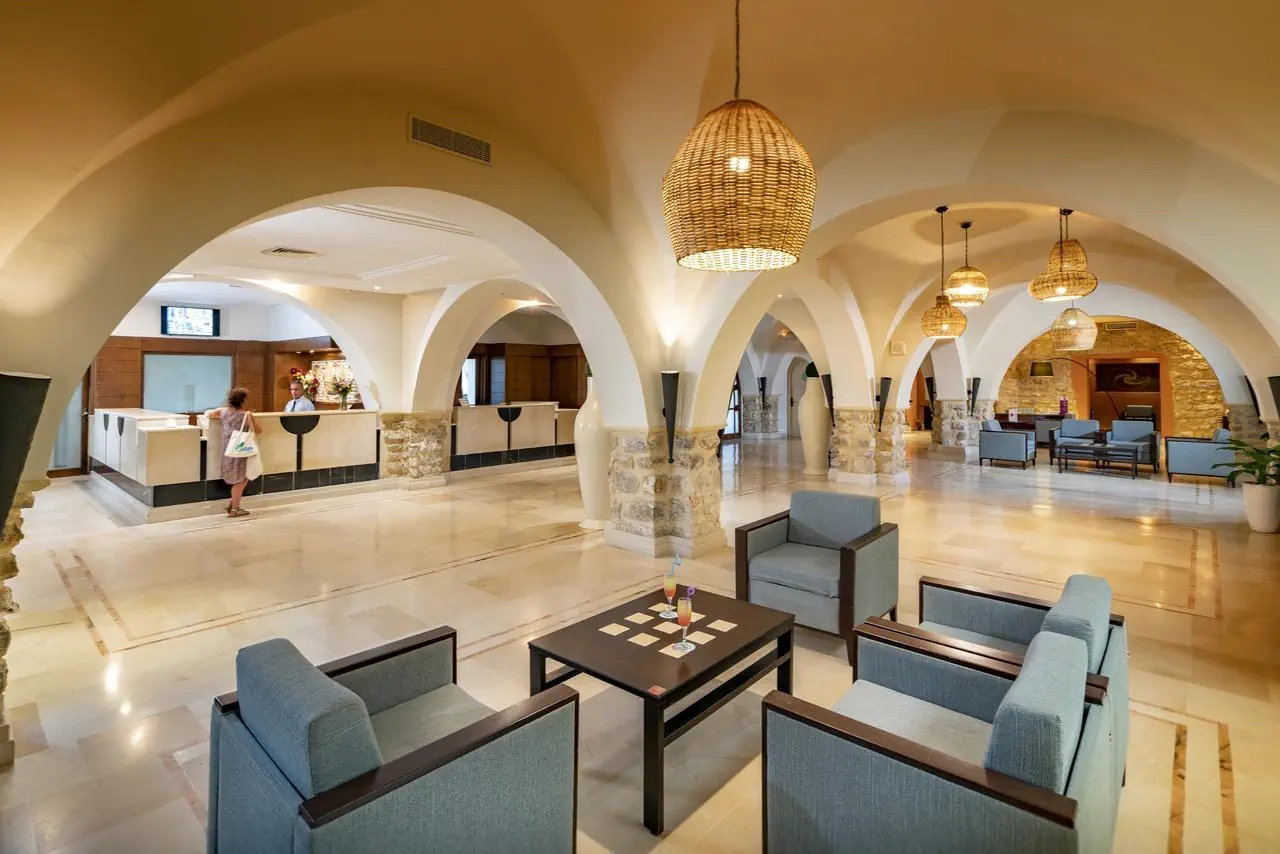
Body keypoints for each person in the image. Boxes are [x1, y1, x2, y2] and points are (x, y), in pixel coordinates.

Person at [217, 387, 262, 518]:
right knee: (241, 479)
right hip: (240, 450)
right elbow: (258, 430)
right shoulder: (245, 415)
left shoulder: (223, 412)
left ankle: (232, 503)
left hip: (228, 449)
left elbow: (209, 414)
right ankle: (235, 509)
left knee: (241, 478)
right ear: (243, 400)